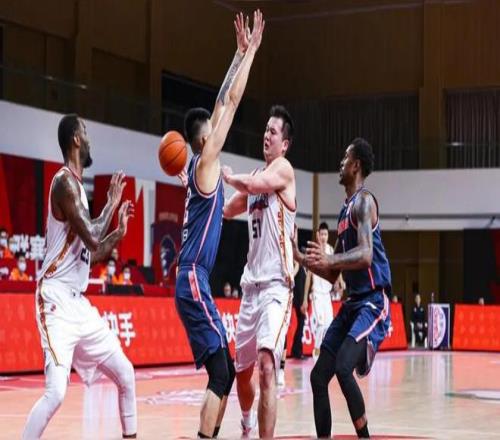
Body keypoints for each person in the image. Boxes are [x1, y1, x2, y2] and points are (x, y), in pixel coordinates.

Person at [174, 11, 265, 439]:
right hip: (193, 277)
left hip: (193, 279)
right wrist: (252, 53)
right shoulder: (206, 161)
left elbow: (219, 103)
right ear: (203, 138)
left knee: (223, 370)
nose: (218, 127)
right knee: (221, 372)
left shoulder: (199, 164)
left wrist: (237, 54)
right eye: (211, 129)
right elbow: (231, 102)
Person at [22, 114, 137, 440]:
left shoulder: (78, 191)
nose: (88, 139)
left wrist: (119, 232)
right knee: (56, 393)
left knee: (126, 374)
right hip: (55, 299)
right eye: (85, 132)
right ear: (75, 139)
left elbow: (92, 253)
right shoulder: (64, 183)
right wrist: (111, 204)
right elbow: (93, 236)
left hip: (78, 303)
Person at [293, 138, 391, 439]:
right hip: (352, 304)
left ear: (356, 165)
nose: (341, 162)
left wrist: (331, 257)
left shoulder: (364, 202)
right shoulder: (344, 212)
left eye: (345, 158)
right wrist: (300, 258)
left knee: (344, 367)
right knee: (318, 376)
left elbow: (366, 255)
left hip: (373, 302)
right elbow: (333, 274)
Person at [223, 104, 296, 438]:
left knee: (267, 366)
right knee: (242, 371)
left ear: (285, 144)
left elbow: (254, 185)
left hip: (276, 287)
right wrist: (198, 191)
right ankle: (246, 421)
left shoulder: (283, 171)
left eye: (273, 132)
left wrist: (229, 177)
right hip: (250, 289)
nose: (267, 135)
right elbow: (226, 210)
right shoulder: (255, 179)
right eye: (265, 129)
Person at [304, 222, 335, 362]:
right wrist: (305, 298)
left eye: (325, 234)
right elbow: (308, 277)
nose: (323, 237)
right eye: (321, 234)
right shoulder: (313, 252)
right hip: (316, 293)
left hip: (327, 295)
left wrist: (339, 282)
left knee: (329, 325)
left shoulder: (330, 250)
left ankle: (323, 351)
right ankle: (316, 352)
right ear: (318, 235)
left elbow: (335, 268)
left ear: (328, 236)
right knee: (321, 324)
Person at [291, 260, 307, 359]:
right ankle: (297, 351)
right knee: (300, 324)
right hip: (299, 300)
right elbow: (299, 286)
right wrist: (302, 302)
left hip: (300, 300)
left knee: (301, 324)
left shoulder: (303, 269)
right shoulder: (298, 267)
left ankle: (297, 350)